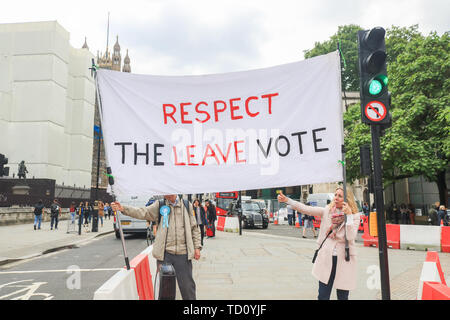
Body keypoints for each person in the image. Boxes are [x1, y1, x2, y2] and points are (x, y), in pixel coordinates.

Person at [111, 195, 201, 300]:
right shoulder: (160, 205)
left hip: (183, 254)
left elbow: (194, 228)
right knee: (166, 291)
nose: (165, 194)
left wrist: (197, 247)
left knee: (188, 289)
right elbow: (143, 212)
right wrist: (123, 208)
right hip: (165, 255)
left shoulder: (186, 205)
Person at [278, 187, 360, 300]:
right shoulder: (328, 210)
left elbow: (350, 237)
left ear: (347, 199)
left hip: (344, 259)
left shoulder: (354, 216)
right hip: (327, 258)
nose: (336, 198)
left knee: (342, 296)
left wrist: (349, 216)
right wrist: (288, 200)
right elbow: (307, 209)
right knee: (323, 296)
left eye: (340, 196)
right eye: (335, 194)